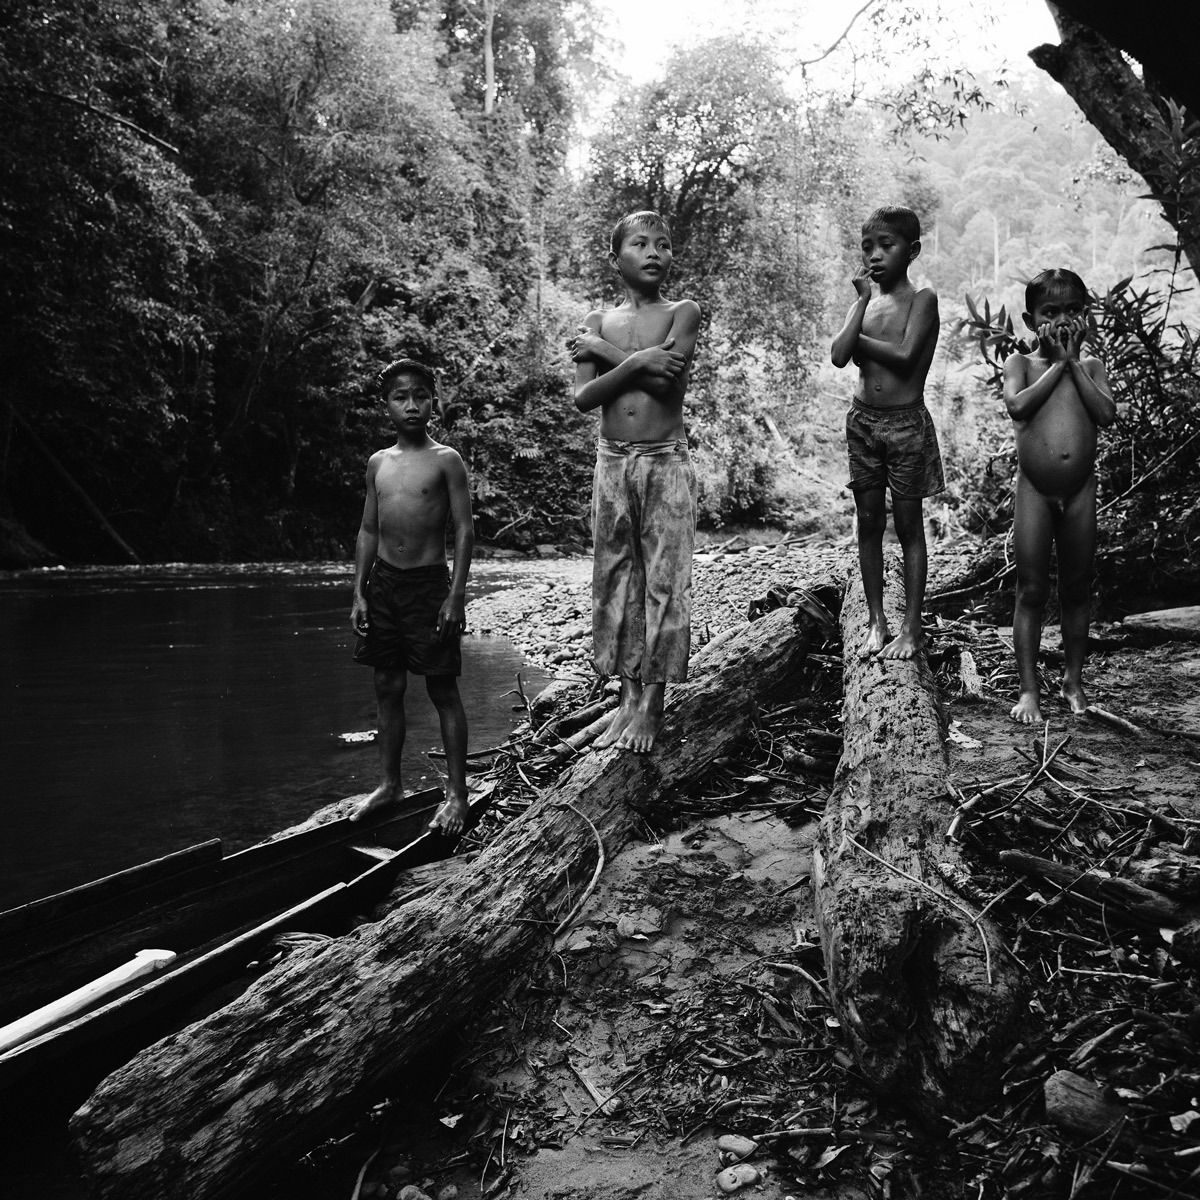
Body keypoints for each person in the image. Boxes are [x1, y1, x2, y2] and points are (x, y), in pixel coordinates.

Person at [568, 210, 702, 752]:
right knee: (615, 578)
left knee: (666, 581)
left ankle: (653, 703)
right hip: (611, 462)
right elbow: (584, 398)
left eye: (664, 245)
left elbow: (669, 388)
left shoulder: (683, 312)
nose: (654, 253)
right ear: (616, 256)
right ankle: (625, 698)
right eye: (641, 243)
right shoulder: (597, 321)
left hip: (665, 461)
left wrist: (608, 356)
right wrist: (636, 359)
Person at [349, 358, 474, 832]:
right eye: (401, 397)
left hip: (427, 586)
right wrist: (358, 593)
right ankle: (389, 784)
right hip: (383, 585)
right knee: (387, 685)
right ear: (386, 405)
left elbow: (464, 529)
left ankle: (457, 794)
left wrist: (456, 595)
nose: (412, 405)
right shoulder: (378, 463)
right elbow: (367, 529)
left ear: (433, 400)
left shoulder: (446, 460)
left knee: (442, 687)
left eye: (420, 395)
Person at [1003, 268, 1115, 724]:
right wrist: (1055, 363)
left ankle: (1073, 679)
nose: (1063, 320)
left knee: (1076, 586)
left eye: (1072, 310)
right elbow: (1017, 406)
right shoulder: (1021, 364)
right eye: (1051, 312)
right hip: (1034, 491)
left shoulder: (1091, 368)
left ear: (1085, 316)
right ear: (1032, 321)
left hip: (1080, 492)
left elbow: (1105, 414)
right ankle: (1029, 689)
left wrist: (1072, 362)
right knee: (1031, 589)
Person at [831, 205, 943, 660]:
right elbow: (839, 357)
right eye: (867, 247)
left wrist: (856, 338)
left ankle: (912, 627)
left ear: (912, 250)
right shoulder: (868, 304)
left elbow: (903, 354)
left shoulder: (923, 299)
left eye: (886, 245)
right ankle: (876, 619)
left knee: (910, 525)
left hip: (905, 424)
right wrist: (858, 303)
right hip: (863, 422)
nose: (875, 255)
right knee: (870, 522)